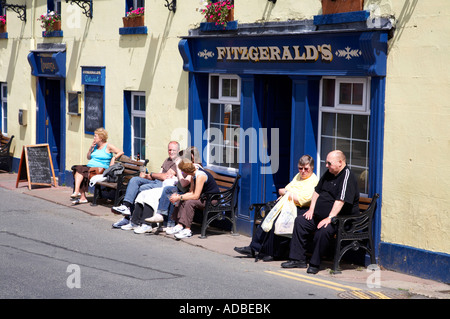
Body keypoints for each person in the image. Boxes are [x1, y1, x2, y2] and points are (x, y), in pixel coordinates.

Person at [281, 150, 359, 274]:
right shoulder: (329, 173)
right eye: (326, 163)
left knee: (323, 230)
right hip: (319, 215)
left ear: (340, 162)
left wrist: (329, 218)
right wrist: (311, 209)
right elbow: (317, 192)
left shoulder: (346, 176)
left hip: (340, 220)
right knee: (301, 221)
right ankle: (297, 259)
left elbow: (340, 201)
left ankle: (314, 263)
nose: (326, 165)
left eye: (329, 163)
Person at [234, 155, 319, 261]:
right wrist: (288, 193)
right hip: (289, 205)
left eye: (306, 169)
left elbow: (303, 199)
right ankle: (253, 248)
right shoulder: (298, 176)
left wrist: (287, 193)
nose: (302, 171)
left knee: (278, 222)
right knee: (268, 218)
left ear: (312, 168)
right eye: (300, 168)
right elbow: (284, 190)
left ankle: (274, 253)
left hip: (301, 209)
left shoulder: (313, 181)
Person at [111, 141, 179, 228]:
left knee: (141, 189)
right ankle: (126, 206)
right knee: (134, 180)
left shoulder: (177, 162)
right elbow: (160, 174)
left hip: (163, 185)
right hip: (156, 181)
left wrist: (151, 175)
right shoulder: (167, 160)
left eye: (173, 150)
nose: (171, 152)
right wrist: (146, 176)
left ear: (178, 151)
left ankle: (131, 218)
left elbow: (165, 177)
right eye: (169, 150)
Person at [145, 146, 203, 228]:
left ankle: (170, 225)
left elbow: (184, 184)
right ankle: (160, 215)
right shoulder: (188, 164)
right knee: (168, 189)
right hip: (184, 190)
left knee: (174, 196)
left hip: (188, 192)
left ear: (193, 156)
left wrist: (178, 167)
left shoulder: (195, 167)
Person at [165, 158, 219, 239]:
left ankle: (187, 230)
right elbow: (191, 192)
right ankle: (179, 225)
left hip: (211, 200)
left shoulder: (200, 175)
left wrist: (179, 197)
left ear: (186, 171)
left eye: (183, 172)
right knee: (183, 199)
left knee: (189, 202)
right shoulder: (193, 173)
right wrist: (179, 197)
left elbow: (196, 196)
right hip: (203, 197)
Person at [71, 128, 123, 205]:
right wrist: (90, 149)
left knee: (81, 171)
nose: (94, 138)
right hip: (90, 167)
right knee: (77, 169)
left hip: (101, 169)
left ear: (101, 138)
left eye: (95, 136)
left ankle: (78, 193)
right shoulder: (95, 146)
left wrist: (113, 158)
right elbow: (88, 157)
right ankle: (80, 195)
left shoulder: (108, 146)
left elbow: (120, 152)